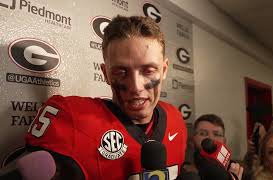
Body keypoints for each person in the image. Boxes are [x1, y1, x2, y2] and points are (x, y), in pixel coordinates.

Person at [16, 15, 188, 179]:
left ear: (164, 70)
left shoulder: (175, 119)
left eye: (148, 70)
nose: (136, 87)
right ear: (105, 73)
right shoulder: (72, 119)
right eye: (121, 72)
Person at [183, 114, 244, 180]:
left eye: (217, 134)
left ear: (224, 142)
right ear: (192, 141)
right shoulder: (182, 173)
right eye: (203, 133)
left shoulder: (237, 172)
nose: (210, 139)